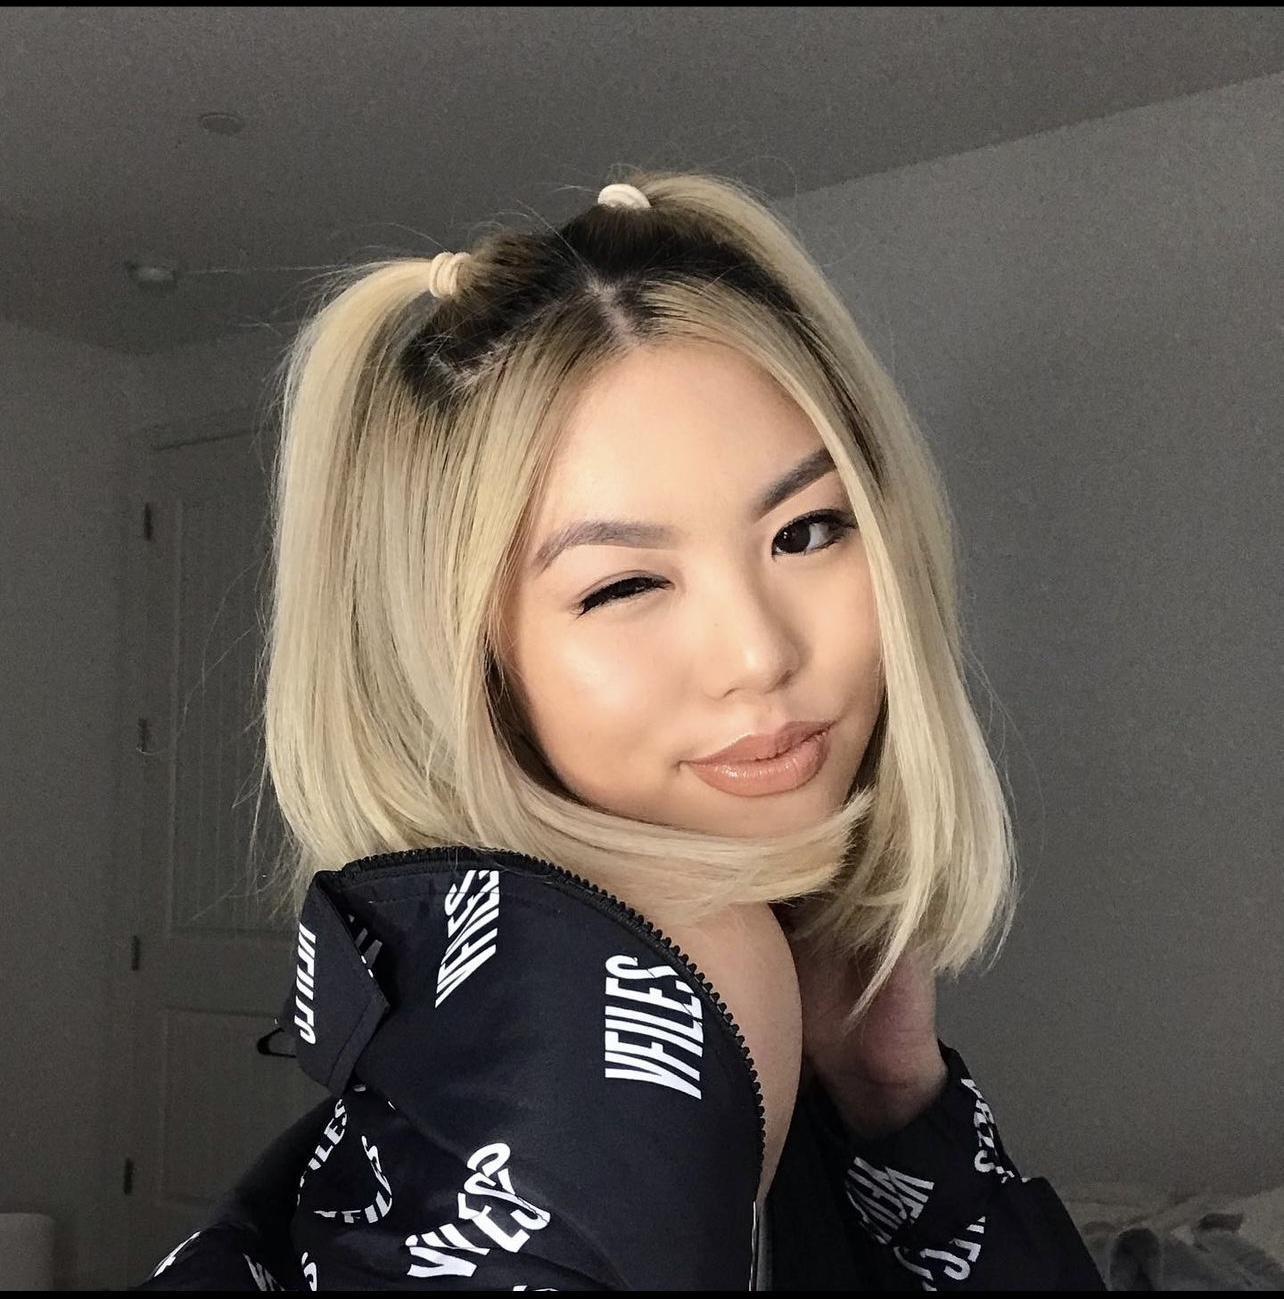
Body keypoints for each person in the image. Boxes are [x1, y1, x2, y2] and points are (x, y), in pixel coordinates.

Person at [133, 171, 1104, 1290]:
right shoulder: (684, 966)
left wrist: (891, 1091)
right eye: (625, 585)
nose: (758, 654)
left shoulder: (638, 981)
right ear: (469, 660)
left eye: (807, 531)